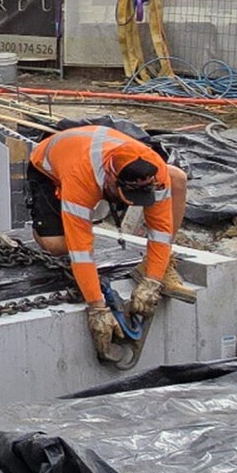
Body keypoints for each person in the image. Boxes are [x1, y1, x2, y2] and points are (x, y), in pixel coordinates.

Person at [26, 122, 193, 360]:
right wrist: (96, 307)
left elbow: (161, 231)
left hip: (96, 159)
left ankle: (160, 265)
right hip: (51, 166)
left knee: (177, 178)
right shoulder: (80, 179)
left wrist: (153, 279)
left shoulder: (155, 171)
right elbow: (80, 250)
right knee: (57, 245)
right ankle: (46, 223)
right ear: (112, 180)